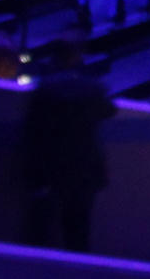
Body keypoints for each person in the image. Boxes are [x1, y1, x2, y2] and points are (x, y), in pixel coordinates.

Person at [17, 47, 111, 253]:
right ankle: (78, 264)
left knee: (43, 229)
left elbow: (33, 131)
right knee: (79, 228)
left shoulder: (46, 89)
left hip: (54, 169)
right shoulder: (92, 87)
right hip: (86, 167)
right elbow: (109, 111)